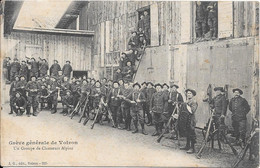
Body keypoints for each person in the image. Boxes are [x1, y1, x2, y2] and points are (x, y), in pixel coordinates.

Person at [179, 89, 198, 154]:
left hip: (191, 119)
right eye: (187, 93)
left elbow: (192, 111)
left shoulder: (194, 102)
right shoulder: (187, 101)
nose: (188, 94)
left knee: (191, 133)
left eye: (190, 93)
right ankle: (187, 146)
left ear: (192, 95)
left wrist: (185, 105)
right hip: (186, 119)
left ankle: (192, 148)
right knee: (187, 132)